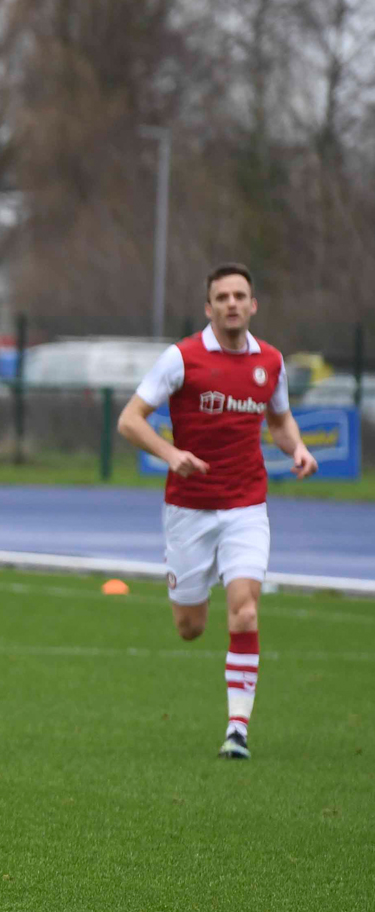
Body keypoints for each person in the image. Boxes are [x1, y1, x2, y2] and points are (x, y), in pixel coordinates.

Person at [116, 263, 317, 761]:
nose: (231, 303)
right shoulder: (180, 358)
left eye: (240, 295)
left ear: (253, 305)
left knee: (245, 610)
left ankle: (237, 731)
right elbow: (129, 420)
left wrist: (297, 448)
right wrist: (170, 455)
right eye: (222, 296)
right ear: (209, 307)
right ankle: (189, 597)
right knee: (191, 627)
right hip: (188, 509)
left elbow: (280, 418)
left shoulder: (270, 362)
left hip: (247, 503)